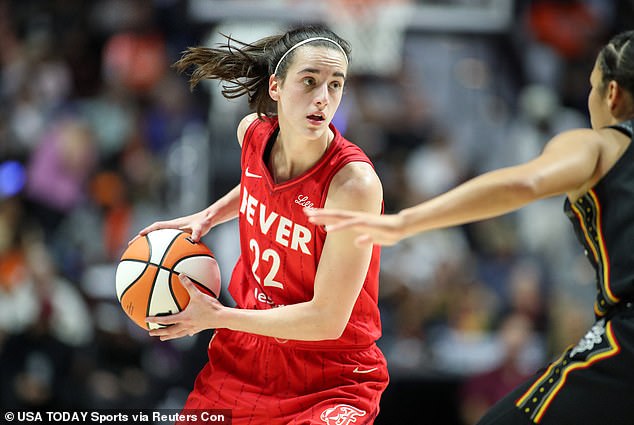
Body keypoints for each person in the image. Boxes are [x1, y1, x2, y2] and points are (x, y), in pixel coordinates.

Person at [306, 30, 634, 425]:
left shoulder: (601, 143)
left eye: (592, 87)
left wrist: (405, 220)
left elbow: (525, 182)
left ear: (612, 94)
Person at [134, 25, 388, 424]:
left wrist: (216, 317)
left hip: (330, 373)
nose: (323, 98)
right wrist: (209, 215)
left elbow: (327, 319)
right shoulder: (252, 134)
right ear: (275, 87)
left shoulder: (353, 185)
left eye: (335, 85)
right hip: (248, 353)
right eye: (309, 81)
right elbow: (257, 184)